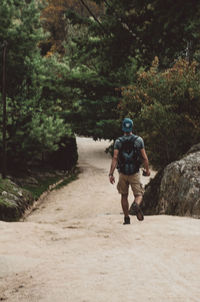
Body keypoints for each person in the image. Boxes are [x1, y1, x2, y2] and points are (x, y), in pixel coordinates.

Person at [109, 118, 150, 225]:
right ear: (132, 127)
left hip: (122, 173)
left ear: (123, 128)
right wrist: (147, 170)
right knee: (139, 195)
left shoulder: (118, 141)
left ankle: (126, 218)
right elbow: (145, 158)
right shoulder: (139, 140)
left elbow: (115, 158)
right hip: (134, 173)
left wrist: (111, 174)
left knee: (124, 195)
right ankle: (136, 204)